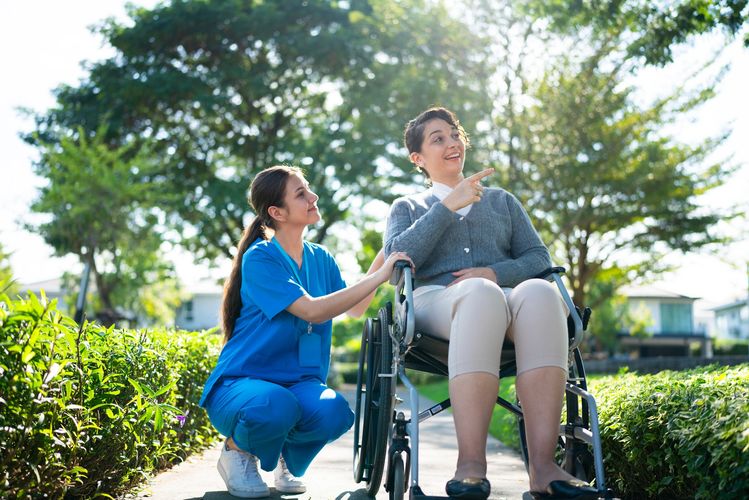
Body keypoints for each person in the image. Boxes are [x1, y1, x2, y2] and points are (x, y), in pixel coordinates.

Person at [384, 108, 598, 500]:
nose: (451, 143)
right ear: (418, 158)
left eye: (454, 135)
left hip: (503, 295)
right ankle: (471, 464)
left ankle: (543, 468)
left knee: (541, 292)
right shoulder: (407, 207)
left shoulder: (502, 202)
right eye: (438, 139)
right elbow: (397, 262)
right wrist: (446, 208)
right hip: (435, 304)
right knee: (479, 297)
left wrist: (494, 273)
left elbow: (539, 260)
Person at [200, 165, 410, 498]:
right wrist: (380, 276)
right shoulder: (260, 258)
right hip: (242, 386)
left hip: (298, 386)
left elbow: (354, 307)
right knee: (274, 405)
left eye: (307, 189)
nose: (312, 197)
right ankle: (236, 452)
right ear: (276, 212)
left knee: (334, 412)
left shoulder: (321, 258)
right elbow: (312, 309)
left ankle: (285, 455)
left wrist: (387, 253)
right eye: (301, 194)